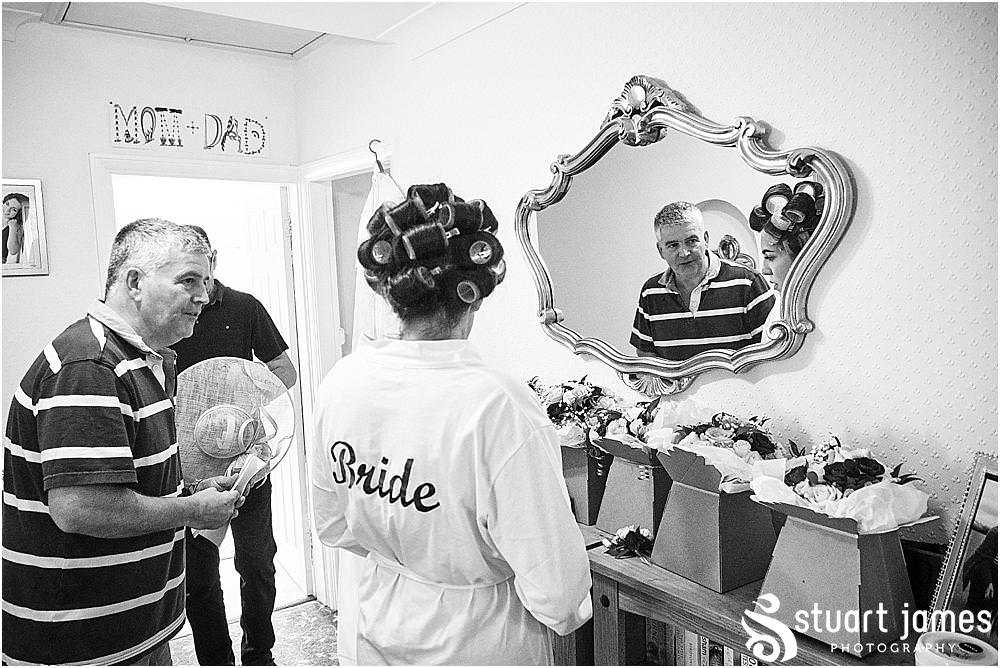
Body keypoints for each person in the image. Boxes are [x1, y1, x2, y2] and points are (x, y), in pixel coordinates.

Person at [311, 183, 593, 664]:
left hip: (378, 623)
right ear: (477, 295)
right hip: (480, 639)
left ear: (388, 291)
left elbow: (334, 527)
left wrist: (409, 555)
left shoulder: (343, 381)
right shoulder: (499, 406)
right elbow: (559, 595)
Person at [1, 218, 243, 665]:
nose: (204, 298)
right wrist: (193, 512)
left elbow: (131, 485)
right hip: (81, 642)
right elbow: (81, 508)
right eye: (188, 281)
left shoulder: (139, 361)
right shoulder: (89, 366)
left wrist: (188, 493)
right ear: (134, 281)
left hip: (132, 630)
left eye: (206, 282)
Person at [170, 225, 297, 666]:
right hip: (187, 467)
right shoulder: (166, 316)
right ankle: (216, 660)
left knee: (257, 563)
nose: (195, 289)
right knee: (199, 574)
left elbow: (286, 371)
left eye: (199, 272)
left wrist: (245, 402)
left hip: (248, 460)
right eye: (183, 277)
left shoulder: (244, 307)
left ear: (214, 260)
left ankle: (259, 654)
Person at [631, 201, 776, 360]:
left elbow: (772, 352)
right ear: (660, 250)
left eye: (691, 241)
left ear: (706, 239)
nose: (684, 253)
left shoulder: (748, 283)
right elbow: (646, 357)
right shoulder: (650, 293)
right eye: (673, 245)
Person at [3, 191, 29, 264]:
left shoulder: (15, 226)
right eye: (7, 204)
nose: (7, 210)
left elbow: (13, 250)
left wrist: (13, 228)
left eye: (14, 209)